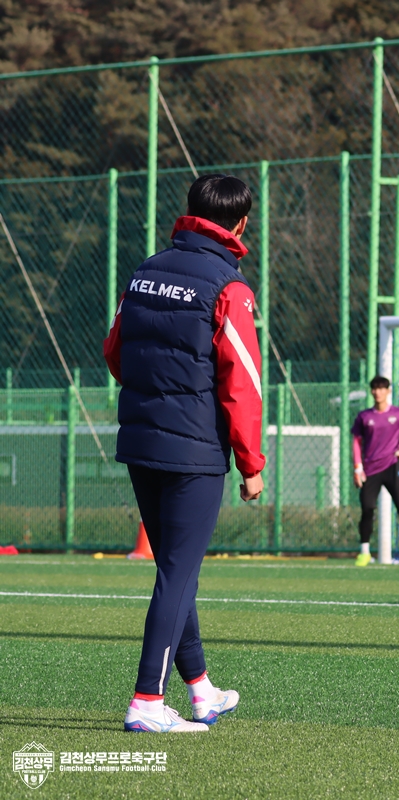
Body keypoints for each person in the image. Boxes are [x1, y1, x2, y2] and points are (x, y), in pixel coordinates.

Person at [103, 174, 264, 733]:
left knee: (176, 568)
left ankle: (201, 691)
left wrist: (153, 398)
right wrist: (251, 463)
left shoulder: (145, 271)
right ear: (241, 224)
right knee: (177, 571)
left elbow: (116, 350)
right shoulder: (230, 287)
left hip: (141, 439)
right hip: (194, 450)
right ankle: (148, 700)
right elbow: (241, 382)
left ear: (190, 212)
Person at [352, 376, 399, 567]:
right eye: (375, 389)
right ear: (371, 391)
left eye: (382, 388)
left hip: (392, 467)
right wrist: (358, 467)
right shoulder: (364, 417)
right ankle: (364, 552)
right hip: (370, 470)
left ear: (388, 391)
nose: (378, 392)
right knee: (367, 508)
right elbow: (357, 442)